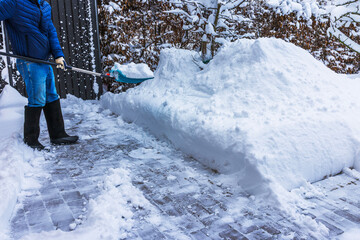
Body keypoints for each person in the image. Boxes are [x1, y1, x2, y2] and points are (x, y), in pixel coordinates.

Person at [0, 0, 78, 150]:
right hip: (29, 61)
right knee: (37, 98)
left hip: (45, 60)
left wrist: (58, 55)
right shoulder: (14, 3)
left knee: (51, 95)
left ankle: (58, 134)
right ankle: (31, 141)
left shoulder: (44, 5)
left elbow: (50, 31)